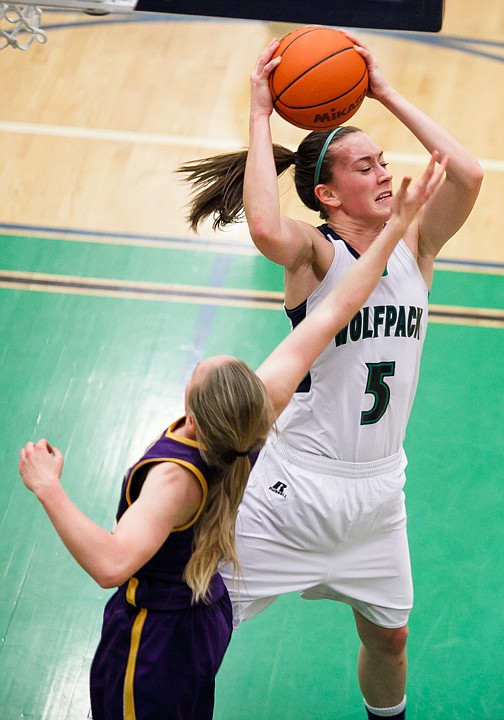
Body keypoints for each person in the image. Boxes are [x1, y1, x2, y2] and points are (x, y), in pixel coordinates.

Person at [17, 153, 444, 720]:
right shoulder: (261, 408)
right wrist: (395, 228)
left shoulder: (175, 478)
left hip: (159, 641)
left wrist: (48, 487)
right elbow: (338, 307)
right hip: (210, 612)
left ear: (193, 411)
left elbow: (112, 564)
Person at [177, 33, 483, 720]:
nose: (383, 174)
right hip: (292, 491)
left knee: (391, 639)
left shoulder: (415, 247)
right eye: (364, 166)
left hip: (379, 495)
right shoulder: (316, 255)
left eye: (384, 162)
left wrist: (385, 91)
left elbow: (467, 174)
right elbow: (262, 224)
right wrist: (260, 113)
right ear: (326, 192)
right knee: (194, 620)